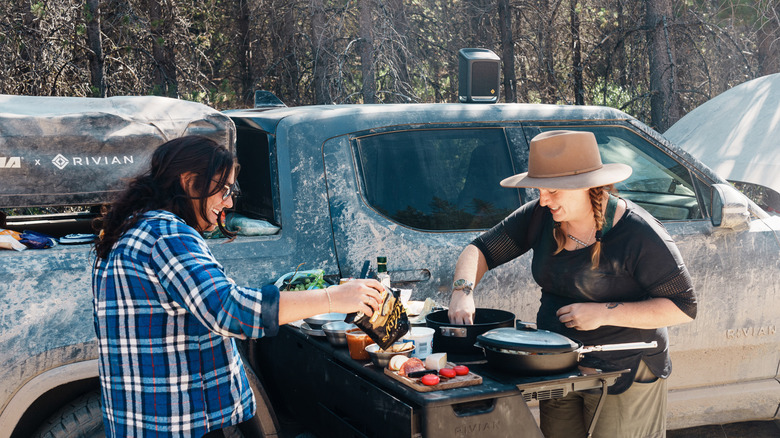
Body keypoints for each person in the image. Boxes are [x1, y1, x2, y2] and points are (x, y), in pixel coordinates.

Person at [92, 135, 384, 437]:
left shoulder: (132, 227)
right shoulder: (166, 234)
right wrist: (332, 297)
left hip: (146, 418)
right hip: (175, 421)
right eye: (224, 189)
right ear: (190, 182)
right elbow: (228, 310)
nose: (230, 202)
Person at [448, 130, 697, 438]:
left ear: (587, 186)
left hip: (624, 369)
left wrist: (604, 313)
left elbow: (683, 308)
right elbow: (480, 250)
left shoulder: (639, 233)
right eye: (539, 189)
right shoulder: (541, 216)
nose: (542, 199)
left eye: (552, 190)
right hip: (557, 368)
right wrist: (462, 291)